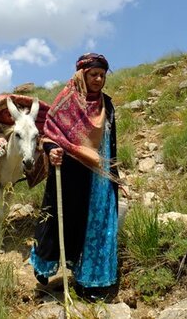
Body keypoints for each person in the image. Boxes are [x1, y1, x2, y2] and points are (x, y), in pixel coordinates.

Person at [29, 53, 120, 302]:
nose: (99, 79)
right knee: (59, 222)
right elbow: (49, 134)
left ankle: (90, 281)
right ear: (82, 74)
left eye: (102, 74)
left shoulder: (107, 105)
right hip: (69, 172)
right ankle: (44, 265)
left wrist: (113, 176)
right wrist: (51, 150)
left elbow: (111, 143)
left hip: (98, 176)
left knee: (97, 225)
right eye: (94, 74)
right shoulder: (67, 101)